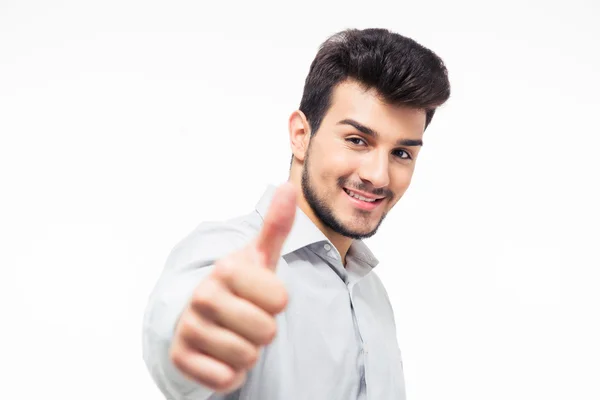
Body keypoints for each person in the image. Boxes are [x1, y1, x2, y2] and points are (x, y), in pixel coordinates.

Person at [142, 27, 451, 400]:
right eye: (357, 140)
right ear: (301, 135)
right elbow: (181, 331)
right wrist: (194, 337)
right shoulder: (229, 253)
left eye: (402, 153)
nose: (378, 175)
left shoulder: (372, 293)